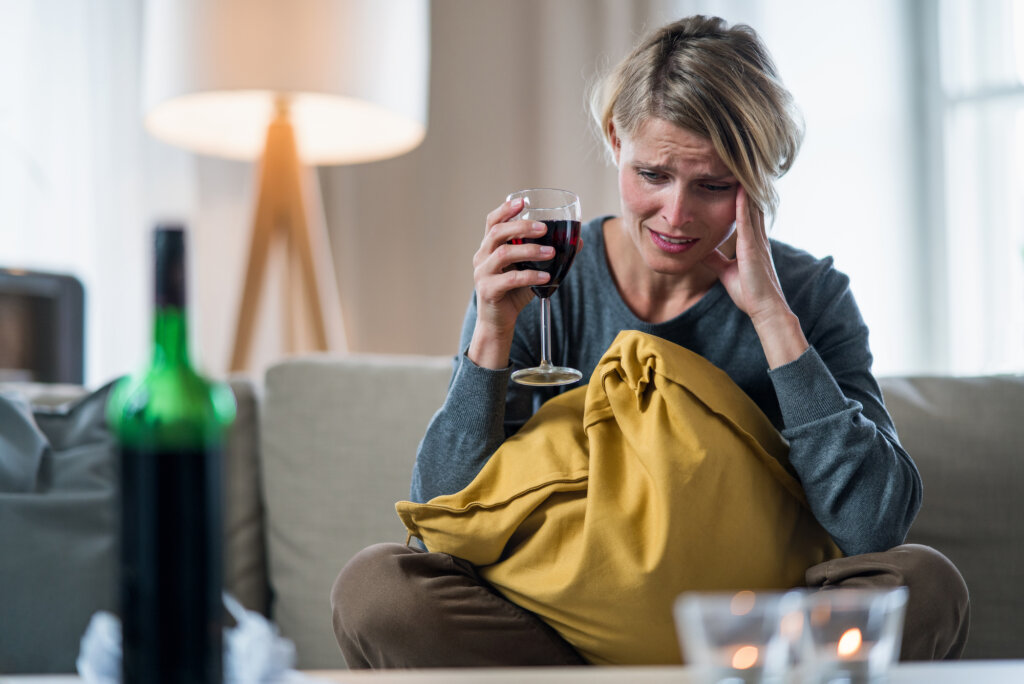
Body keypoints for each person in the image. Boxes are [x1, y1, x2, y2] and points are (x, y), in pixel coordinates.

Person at [331, 15, 969, 668]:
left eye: (714, 186)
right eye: (654, 174)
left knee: (927, 584)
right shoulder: (542, 280)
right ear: (615, 140)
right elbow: (442, 523)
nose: (676, 214)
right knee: (377, 589)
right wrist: (491, 337)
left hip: (746, 642)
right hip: (557, 633)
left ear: (755, 180)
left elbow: (873, 529)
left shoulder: (809, 297)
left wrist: (774, 322)